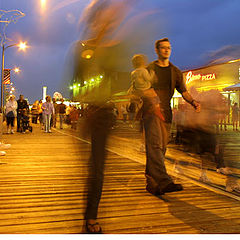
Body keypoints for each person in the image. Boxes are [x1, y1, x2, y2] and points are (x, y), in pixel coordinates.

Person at [144, 37, 200, 196]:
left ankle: (151, 183)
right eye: (163, 48)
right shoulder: (149, 69)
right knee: (155, 146)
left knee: (160, 149)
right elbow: (141, 88)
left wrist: (194, 102)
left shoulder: (174, 71)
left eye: (168, 47)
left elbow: (183, 91)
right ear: (157, 50)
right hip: (151, 113)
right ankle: (164, 181)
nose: (166, 50)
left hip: (167, 114)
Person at [129, 54, 164, 122]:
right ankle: (158, 109)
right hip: (146, 88)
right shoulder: (143, 71)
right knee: (156, 97)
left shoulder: (133, 72)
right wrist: (152, 73)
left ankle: (138, 116)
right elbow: (149, 79)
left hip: (138, 89)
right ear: (142, 62)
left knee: (143, 104)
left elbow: (133, 82)